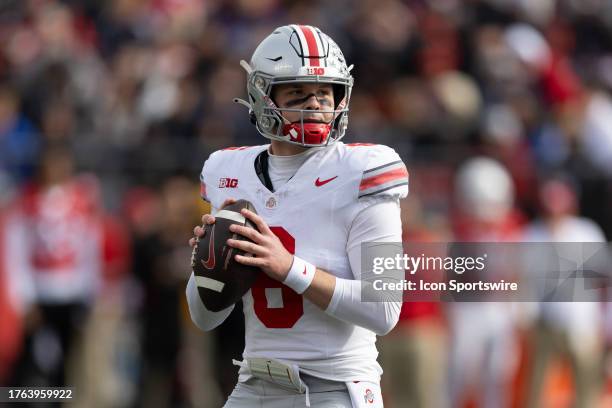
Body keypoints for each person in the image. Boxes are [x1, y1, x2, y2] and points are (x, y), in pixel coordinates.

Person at [186, 25, 409, 407]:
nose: (315, 104)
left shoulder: (365, 169)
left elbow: (384, 307)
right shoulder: (227, 170)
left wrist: (287, 266)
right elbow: (203, 319)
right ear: (263, 95)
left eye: (324, 92)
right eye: (297, 93)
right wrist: (209, 265)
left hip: (335, 388)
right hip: (254, 381)